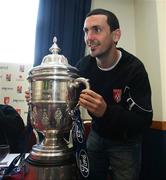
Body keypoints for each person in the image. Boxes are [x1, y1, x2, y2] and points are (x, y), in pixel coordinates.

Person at [76, 8, 153, 180]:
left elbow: (144, 119)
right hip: (96, 134)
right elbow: (68, 96)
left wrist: (106, 112)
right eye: (86, 31)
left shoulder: (135, 70)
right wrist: (44, 97)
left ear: (116, 35)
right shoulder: (83, 66)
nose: (89, 38)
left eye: (97, 30)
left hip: (126, 142)